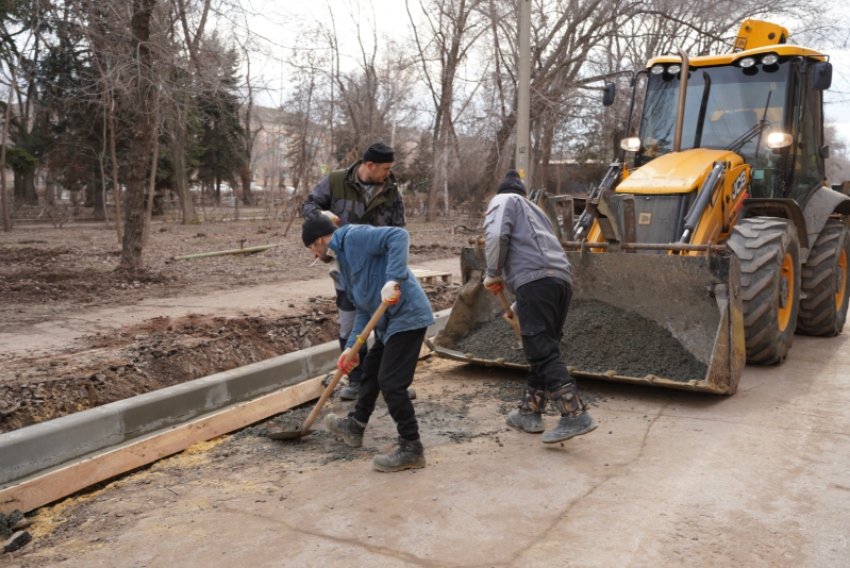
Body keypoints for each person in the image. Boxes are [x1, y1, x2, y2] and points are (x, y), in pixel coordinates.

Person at [301, 213, 434, 471]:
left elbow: (399, 235)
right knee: (371, 371)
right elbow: (363, 310)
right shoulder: (342, 267)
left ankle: (412, 447)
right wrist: (352, 347)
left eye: (311, 249)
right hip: (386, 323)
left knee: (391, 382)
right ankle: (355, 426)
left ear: (319, 240)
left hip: (407, 316)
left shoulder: (354, 237)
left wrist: (393, 279)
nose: (313, 256)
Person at [482, 170, 597, 444]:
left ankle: (574, 414)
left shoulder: (504, 200)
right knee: (543, 346)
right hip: (559, 282)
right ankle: (529, 412)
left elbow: (497, 235)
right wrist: (520, 302)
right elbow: (538, 251)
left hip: (534, 281)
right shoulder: (536, 211)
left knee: (540, 350)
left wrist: (493, 271)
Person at [302, 142, 406, 401]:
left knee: (388, 325)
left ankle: (390, 382)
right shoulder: (336, 181)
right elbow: (308, 207)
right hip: (346, 267)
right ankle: (357, 381)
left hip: (380, 271)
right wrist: (322, 215)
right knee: (350, 324)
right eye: (385, 169)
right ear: (368, 165)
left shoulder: (391, 190)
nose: (388, 174)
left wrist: (394, 273)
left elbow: (400, 230)